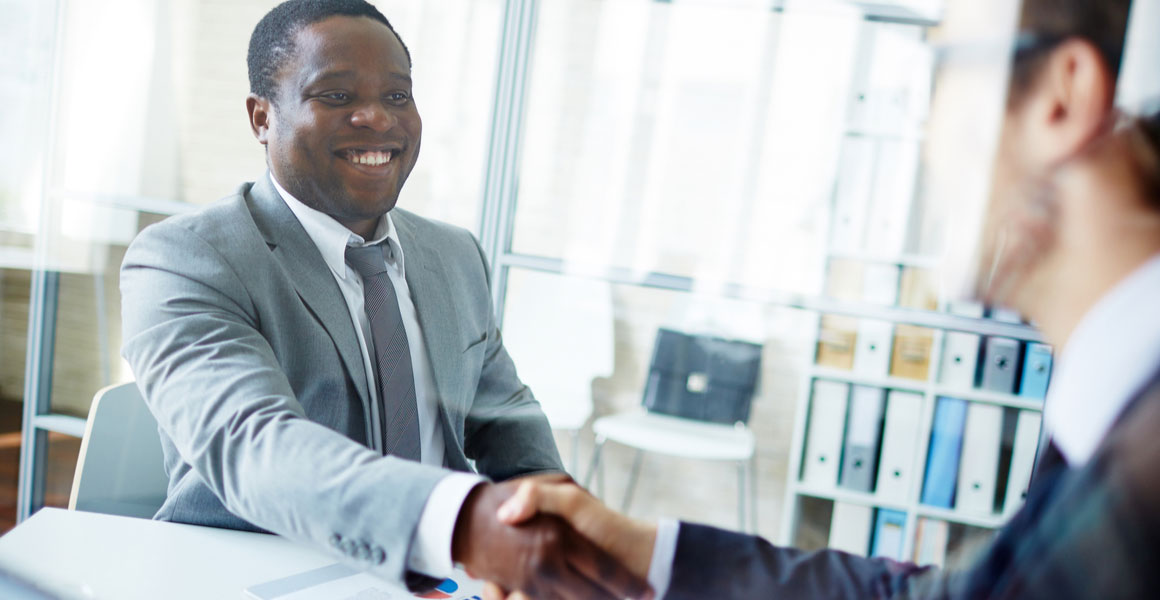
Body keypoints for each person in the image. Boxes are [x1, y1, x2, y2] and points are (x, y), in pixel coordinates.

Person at [486, 0, 1160, 598]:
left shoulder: (1141, 478)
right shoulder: (1112, 421)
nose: (927, 142)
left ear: (1061, 100)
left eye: (941, 75)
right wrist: (637, 558)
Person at [119, 1, 649, 598]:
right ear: (261, 117)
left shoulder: (454, 254)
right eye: (336, 96)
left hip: (445, 577)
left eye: (398, 96)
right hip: (258, 573)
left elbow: (506, 423)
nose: (376, 118)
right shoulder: (184, 258)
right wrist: (462, 524)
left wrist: (562, 531)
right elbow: (256, 446)